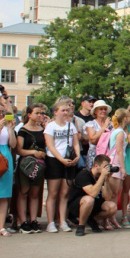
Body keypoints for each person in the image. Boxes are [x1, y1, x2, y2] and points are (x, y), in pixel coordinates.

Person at [44, 98, 81, 233]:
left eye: (67, 110)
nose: (65, 112)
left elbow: (75, 142)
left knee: (65, 193)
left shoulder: (70, 126)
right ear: (55, 112)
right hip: (54, 160)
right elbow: (50, 145)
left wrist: (77, 155)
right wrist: (60, 159)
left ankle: (63, 221)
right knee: (53, 192)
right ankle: (50, 222)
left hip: (69, 160)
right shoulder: (51, 126)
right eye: (63, 110)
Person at [15, 104, 47, 234]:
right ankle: (23, 221)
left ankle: (33, 220)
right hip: (26, 164)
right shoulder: (23, 130)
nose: (40, 115)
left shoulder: (43, 129)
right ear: (29, 115)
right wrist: (33, 152)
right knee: (23, 192)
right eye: (37, 113)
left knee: (35, 193)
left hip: (39, 164)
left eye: (41, 113)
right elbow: (19, 149)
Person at [68, 155, 118, 236]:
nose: (107, 169)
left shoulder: (101, 176)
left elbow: (108, 197)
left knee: (112, 207)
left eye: (108, 166)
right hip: (77, 205)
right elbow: (92, 193)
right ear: (96, 166)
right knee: (89, 200)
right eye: (105, 166)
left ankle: (91, 220)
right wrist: (102, 177)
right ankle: (81, 226)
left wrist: (106, 181)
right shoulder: (84, 174)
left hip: (93, 204)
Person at [0, 102, 16, 237]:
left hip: (5, 156)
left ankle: (1, 227)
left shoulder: (6, 123)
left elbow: (13, 144)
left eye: (2, 111)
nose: (1, 114)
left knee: (3, 196)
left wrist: (10, 128)